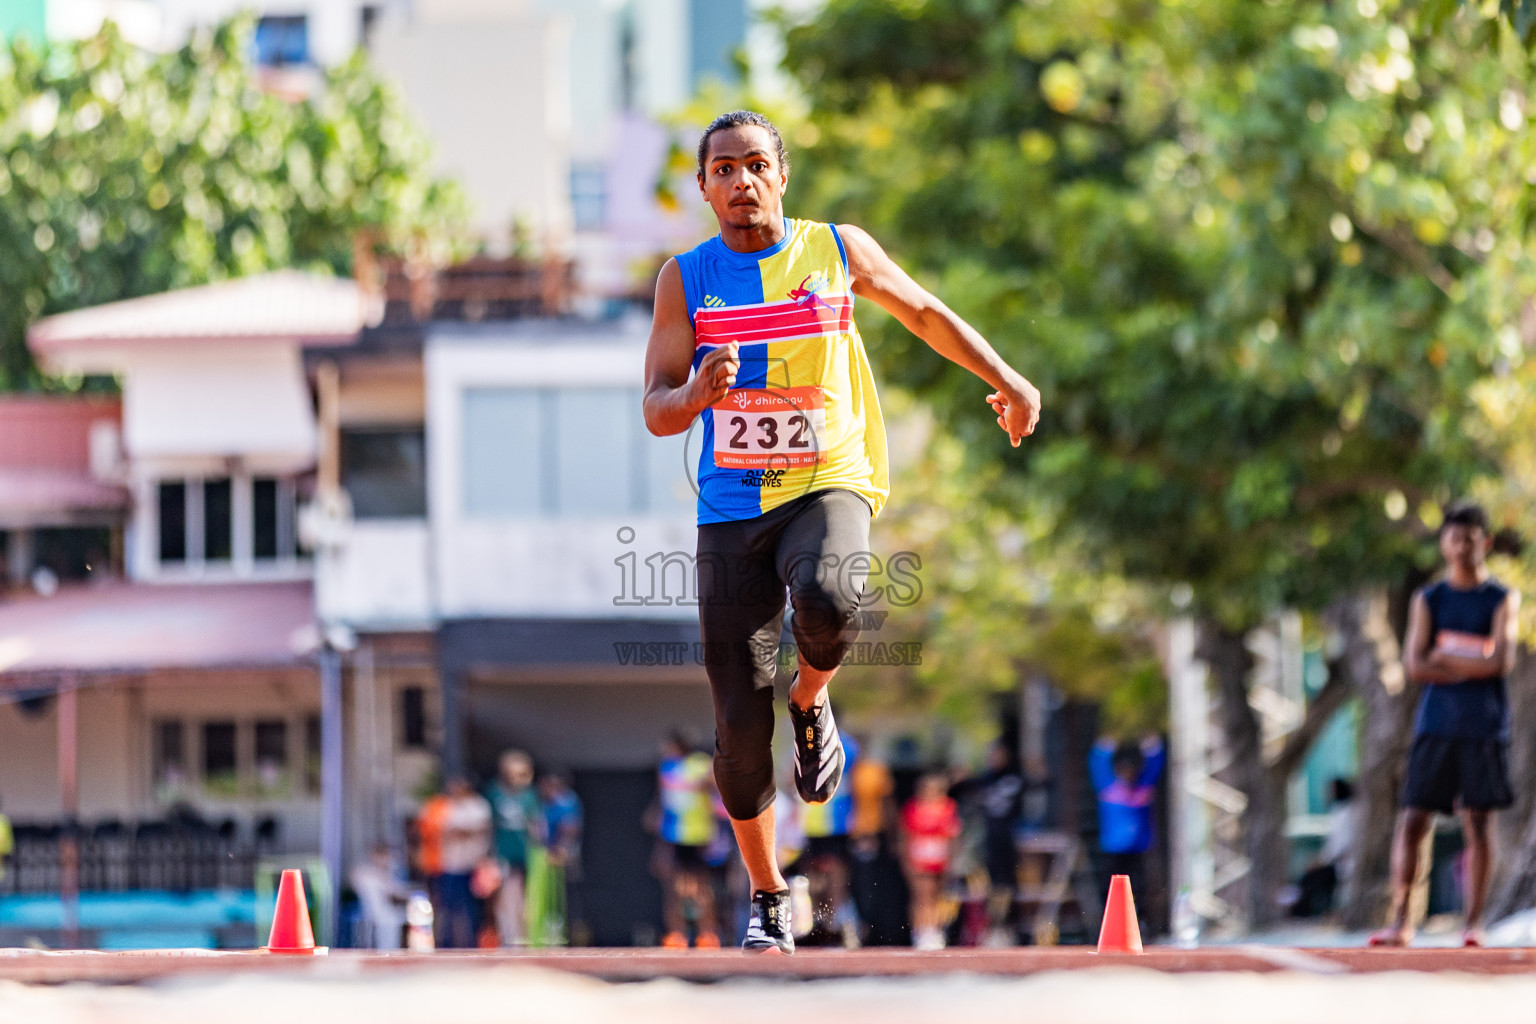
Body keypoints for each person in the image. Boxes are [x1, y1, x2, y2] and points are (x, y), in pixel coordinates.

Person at [641, 109, 1040, 955]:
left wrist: (1005, 376)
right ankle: (766, 895)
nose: (740, 181)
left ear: (781, 174)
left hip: (829, 477)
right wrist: (697, 395)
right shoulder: (685, 279)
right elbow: (655, 407)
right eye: (722, 169)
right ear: (705, 185)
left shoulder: (836, 250)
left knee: (830, 597)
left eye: (755, 165)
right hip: (730, 507)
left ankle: (813, 698)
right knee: (738, 732)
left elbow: (925, 312)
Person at [1371, 503, 1520, 948]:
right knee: (1413, 818)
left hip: (1484, 727)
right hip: (1434, 726)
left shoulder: (1501, 597)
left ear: (1485, 543)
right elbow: (1415, 664)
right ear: (1443, 544)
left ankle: (1473, 924)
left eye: (1471, 538)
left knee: (1478, 823)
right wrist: (1472, 660)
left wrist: (1444, 657)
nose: (1462, 546)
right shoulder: (1429, 599)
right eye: (1455, 538)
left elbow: (1501, 662)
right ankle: (1401, 921)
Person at [653, 732, 722, 949]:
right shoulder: (667, 767)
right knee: (673, 887)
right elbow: (664, 798)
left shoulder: (700, 763)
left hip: (698, 834)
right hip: (673, 834)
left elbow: (713, 785)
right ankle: (676, 934)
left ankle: (707, 933)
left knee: (701, 887)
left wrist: (704, 782)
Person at [1089, 734, 1165, 905]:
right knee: (1113, 883)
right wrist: (1103, 750)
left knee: (1139, 885)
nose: (1127, 774)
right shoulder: (1109, 789)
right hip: (1115, 847)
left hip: (1138, 846)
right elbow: (1098, 768)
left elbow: (1154, 770)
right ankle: (1112, 913)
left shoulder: (1141, 790)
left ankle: (1139, 915)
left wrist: (1153, 750)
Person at [484, 750, 545, 946]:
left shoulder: (529, 796)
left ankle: (524, 936)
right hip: (502, 852)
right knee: (505, 898)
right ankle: (508, 937)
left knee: (524, 899)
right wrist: (488, 854)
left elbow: (535, 824)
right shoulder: (494, 792)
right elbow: (489, 825)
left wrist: (541, 847)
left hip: (525, 852)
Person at [902, 772, 962, 951]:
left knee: (937, 896)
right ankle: (920, 931)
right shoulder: (912, 807)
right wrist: (907, 861)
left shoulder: (948, 807)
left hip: (940, 857)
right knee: (922, 896)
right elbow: (905, 836)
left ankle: (935, 930)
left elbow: (954, 837)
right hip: (919, 857)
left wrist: (953, 860)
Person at [433, 776, 493, 949]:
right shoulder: (451, 806)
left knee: (471, 908)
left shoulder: (478, 806)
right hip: (452, 864)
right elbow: (445, 831)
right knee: (450, 906)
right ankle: (449, 943)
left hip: (472, 864)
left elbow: (480, 828)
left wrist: (462, 831)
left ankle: (472, 942)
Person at [975, 739, 1025, 944]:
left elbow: (1042, 782)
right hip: (990, 838)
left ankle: (1007, 924)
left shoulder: (1014, 777)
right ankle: (994, 924)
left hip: (1008, 838)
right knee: (990, 883)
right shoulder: (984, 779)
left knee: (1008, 883)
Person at [1292, 778, 1355, 918]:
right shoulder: (1339, 811)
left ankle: (1305, 912)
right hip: (1335, 862)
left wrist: (1321, 861)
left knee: (1311, 878)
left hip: (1342, 864)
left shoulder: (1346, 813)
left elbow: (1340, 845)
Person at [539, 771, 583, 945]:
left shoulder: (567, 800)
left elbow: (571, 829)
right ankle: (552, 934)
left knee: (567, 896)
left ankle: (573, 937)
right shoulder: (545, 803)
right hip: (546, 857)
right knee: (550, 897)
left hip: (566, 856)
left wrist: (560, 850)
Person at [351, 842, 411, 949]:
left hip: (381, 915)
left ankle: (391, 949)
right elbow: (396, 892)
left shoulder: (382, 874)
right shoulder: (367, 874)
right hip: (379, 914)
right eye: (385, 856)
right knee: (394, 919)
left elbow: (397, 891)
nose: (387, 860)